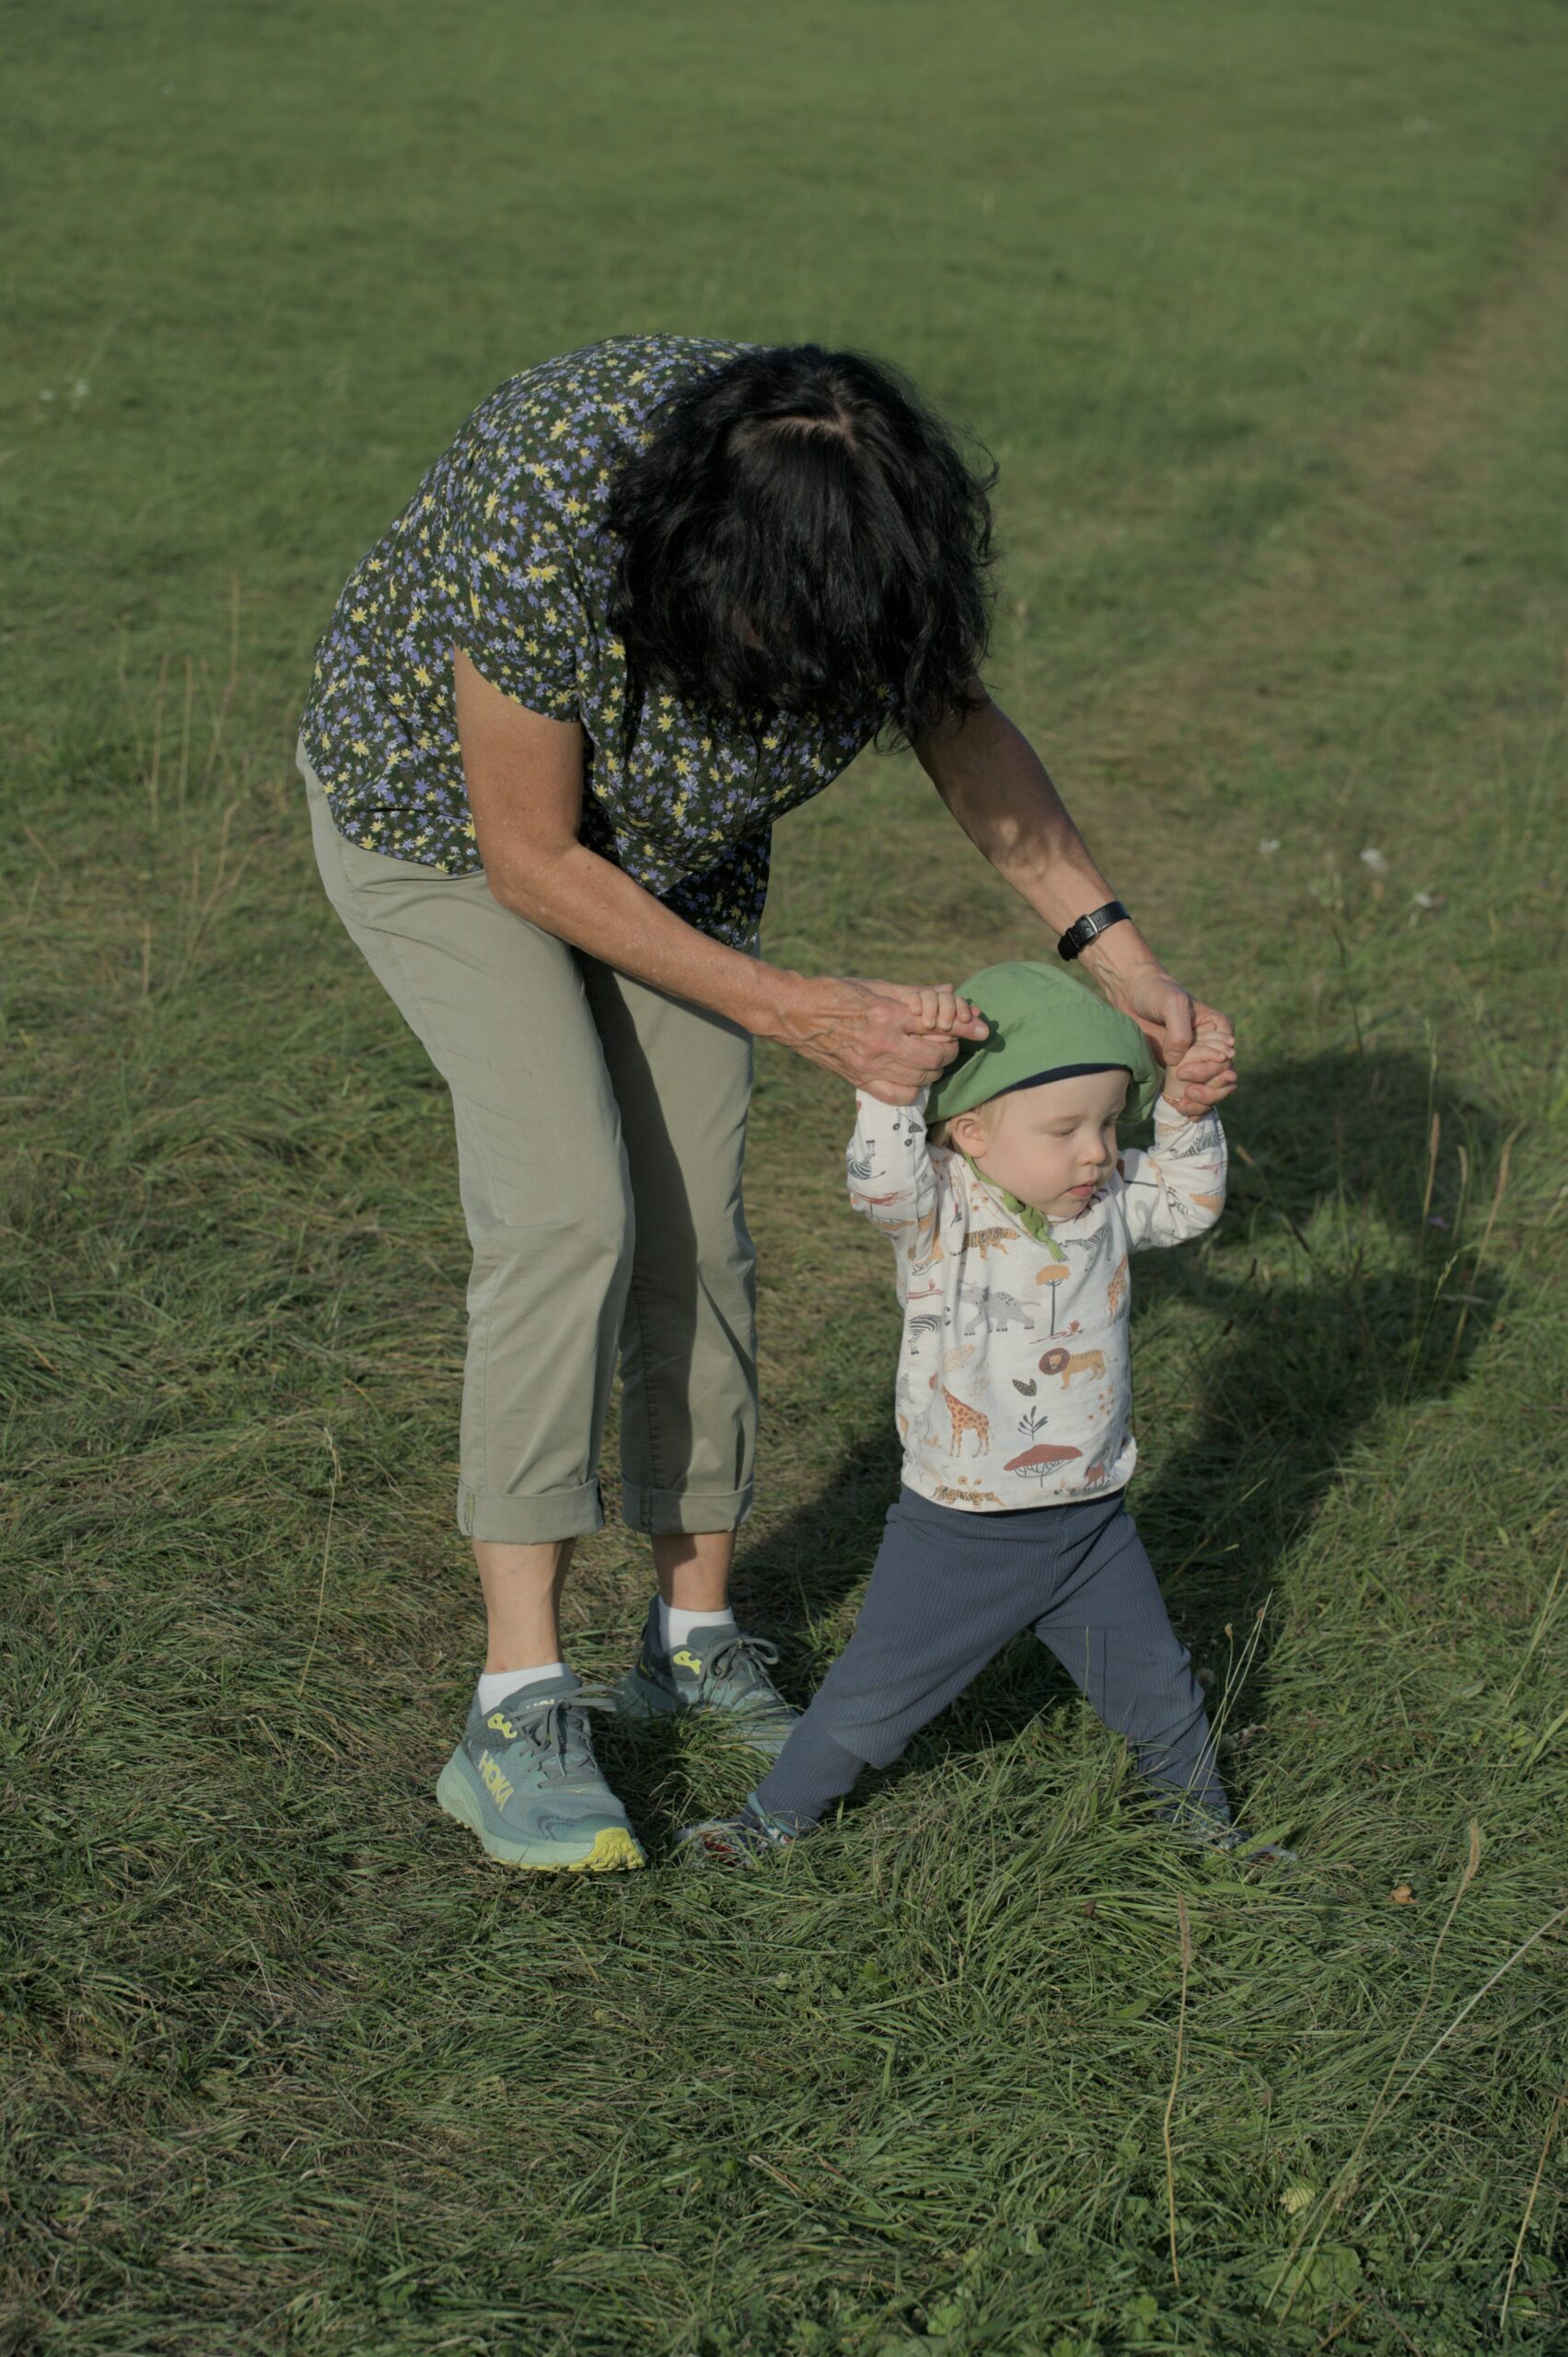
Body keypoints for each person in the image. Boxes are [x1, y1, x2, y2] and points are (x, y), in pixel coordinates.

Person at [298, 334, 1235, 1874]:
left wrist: (1116, 955)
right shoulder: (546, 501)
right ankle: (515, 1704)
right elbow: (530, 856)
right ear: (693, 559)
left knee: (694, 1228)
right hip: (449, 832)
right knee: (568, 1214)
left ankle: (689, 1638)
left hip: (674, 859)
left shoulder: (870, 534)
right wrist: (797, 1008)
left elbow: (958, 728)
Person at [677, 962, 1289, 1866]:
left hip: (1091, 1524)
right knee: (872, 1697)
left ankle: (1205, 1831)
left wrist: (1186, 1113)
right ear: (969, 1131)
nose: (1094, 1151)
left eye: (1108, 1123)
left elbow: (1186, 1204)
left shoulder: (1106, 1199)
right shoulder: (941, 1211)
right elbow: (880, 1185)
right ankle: (769, 1822)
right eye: (1063, 1129)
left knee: (1159, 1690)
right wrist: (892, 1089)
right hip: (961, 1533)